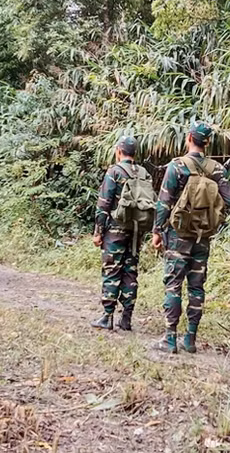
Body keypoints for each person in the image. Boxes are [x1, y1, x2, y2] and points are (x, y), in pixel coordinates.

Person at [151, 122, 230, 353]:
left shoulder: (177, 166)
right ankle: (190, 339)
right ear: (207, 143)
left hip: (178, 234)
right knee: (197, 287)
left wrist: (157, 231)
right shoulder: (216, 169)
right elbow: (229, 201)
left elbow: (164, 202)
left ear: (189, 138)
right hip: (203, 236)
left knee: (173, 285)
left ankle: (170, 338)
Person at [91, 136, 149, 331]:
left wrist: (98, 232)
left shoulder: (114, 172)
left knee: (112, 270)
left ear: (118, 151)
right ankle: (126, 318)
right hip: (136, 231)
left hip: (115, 230)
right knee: (130, 271)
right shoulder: (143, 173)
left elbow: (103, 205)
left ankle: (107, 316)